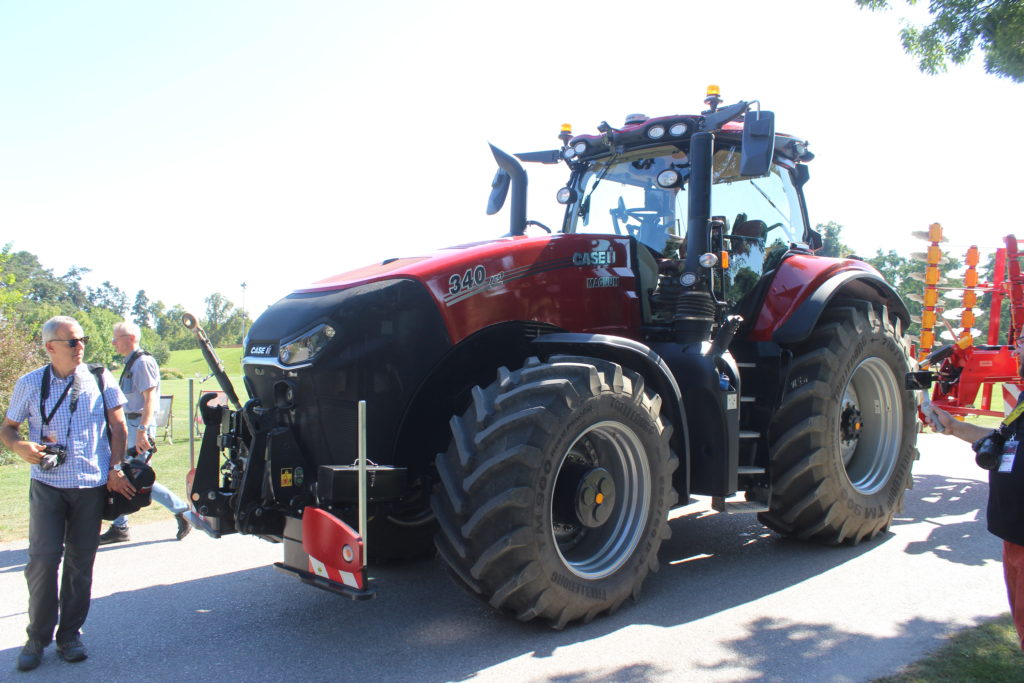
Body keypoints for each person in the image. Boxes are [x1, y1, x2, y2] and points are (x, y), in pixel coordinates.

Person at [1, 316, 133, 671]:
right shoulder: (30, 384)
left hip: (90, 486)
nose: (81, 347)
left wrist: (116, 466)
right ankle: (36, 637)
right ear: (50, 347)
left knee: (80, 564)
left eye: (82, 340)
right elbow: (8, 429)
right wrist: (19, 447)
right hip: (47, 486)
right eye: (72, 342)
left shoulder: (100, 377)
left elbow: (119, 425)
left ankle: (70, 635)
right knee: (42, 561)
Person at [926, 334, 1024, 652]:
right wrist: (954, 426)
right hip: (1013, 538)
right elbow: (1001, 440)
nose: (1016, 349)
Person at [98, 321, 190, 544]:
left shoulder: (143, 362)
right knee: (123, 474)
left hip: (138, 426)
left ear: (130, 338)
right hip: (130, 426)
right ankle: (120, 526)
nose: (113, 342)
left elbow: (150, 400)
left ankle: (182, 510)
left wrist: (142, 431)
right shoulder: (131, 363)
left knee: (134, 475)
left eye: (116, 338)